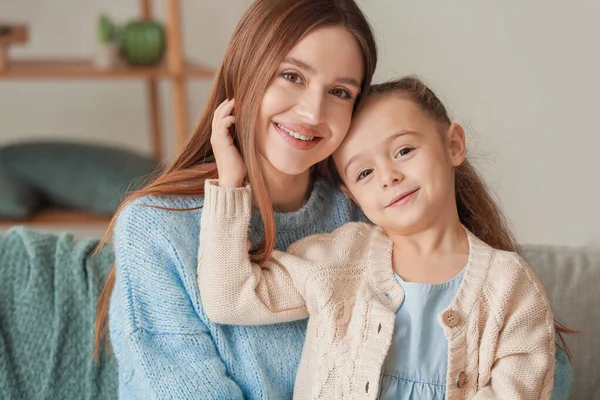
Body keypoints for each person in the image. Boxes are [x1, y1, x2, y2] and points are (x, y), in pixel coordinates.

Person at [199, 76, 571, 399]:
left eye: (404, 150)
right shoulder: (341, 259)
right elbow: (230, 298)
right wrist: (231, 181)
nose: (388, 176)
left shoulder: (511, 286)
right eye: (363, 173)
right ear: (350, 194)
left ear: (453, 145)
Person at [93, 0, 377, 398]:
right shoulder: (156, 228)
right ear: (244, 75)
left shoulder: (364, 220)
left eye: (340, 91)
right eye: (292, 76)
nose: (313, 112)